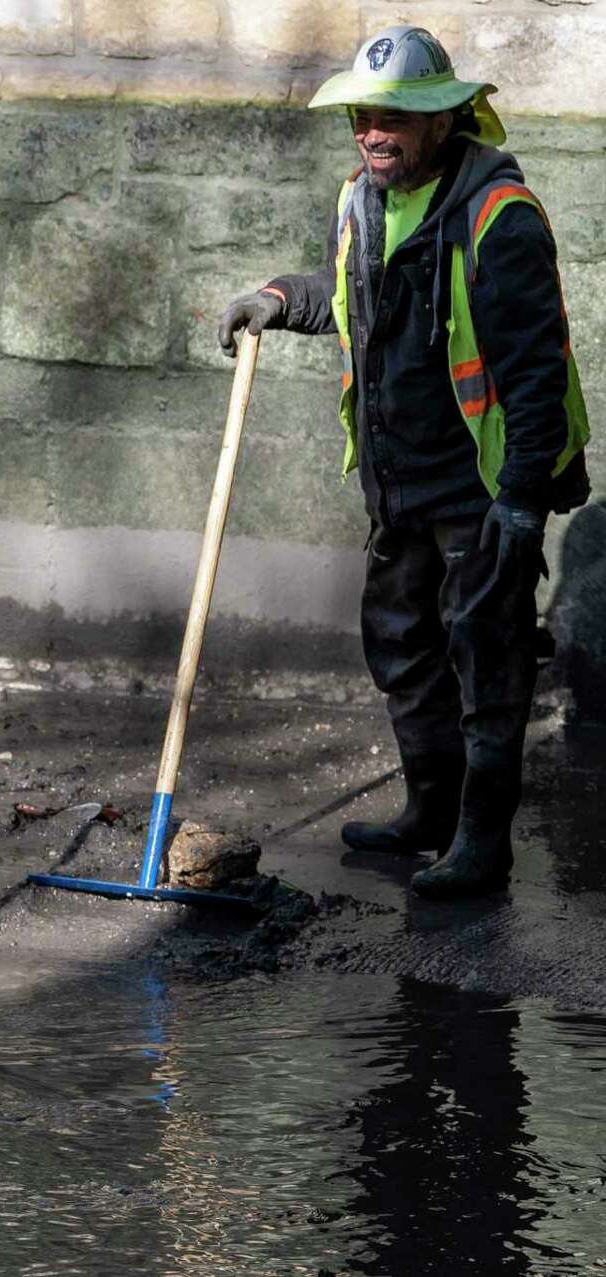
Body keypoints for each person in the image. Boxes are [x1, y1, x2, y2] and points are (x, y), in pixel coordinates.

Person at [217, 26, 590, 899]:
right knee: (400, 642)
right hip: (401, 484)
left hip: (479, 489)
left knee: (485, 661)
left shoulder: (500, 220)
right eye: (363, 116)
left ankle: (481, 846)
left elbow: (537, 378)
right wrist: (275, 298)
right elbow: (350, 292)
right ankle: (430, 807)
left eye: (394, 118)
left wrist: (523, 503)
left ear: (446, 120)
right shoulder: (364, 200)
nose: (373, 133)